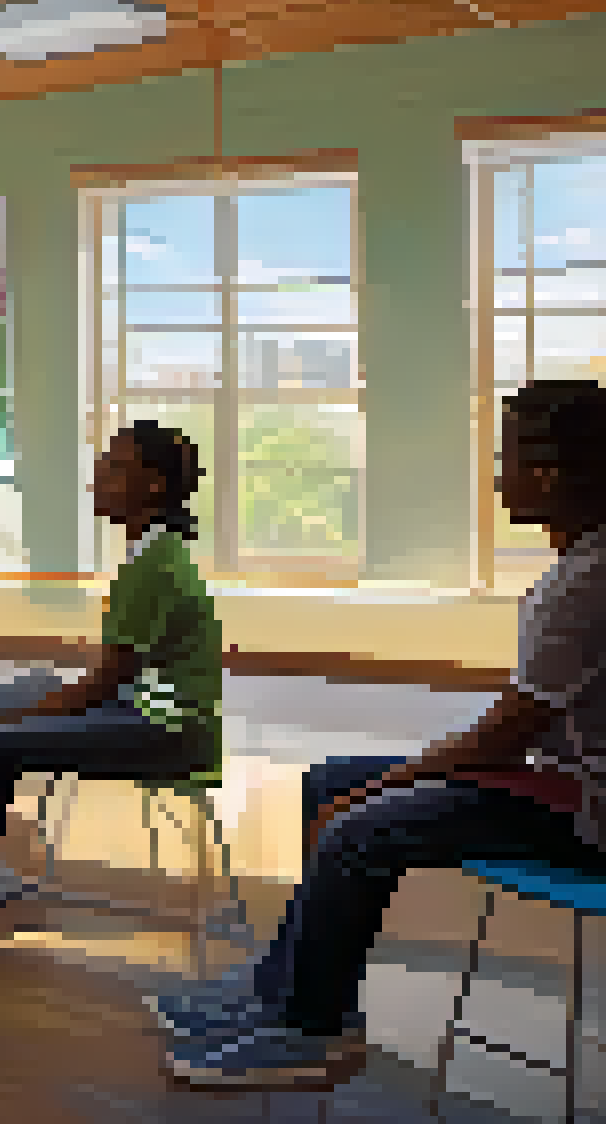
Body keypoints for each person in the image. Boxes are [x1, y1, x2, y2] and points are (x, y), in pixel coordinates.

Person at [151, 380, 606, 1090]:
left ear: (549, 473)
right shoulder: (582, 564)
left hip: (588, 813)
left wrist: (397, 780)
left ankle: (310, 1032)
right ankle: (287, 987)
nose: (496, 475)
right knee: (329, 780)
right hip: (561, 779)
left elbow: (510, 728)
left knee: (360, 826)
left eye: (506, 457)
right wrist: (393, 778)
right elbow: (522, 727)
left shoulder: (587, 580)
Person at [0, 419, 223, 940]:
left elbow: (100, 688)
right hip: (142, 708)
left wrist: (17, 715)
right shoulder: (150, 553)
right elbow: (113, 673)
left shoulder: (155, 566)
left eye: (115, 467)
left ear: (152, 484)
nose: (98, 476)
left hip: (168, 732)